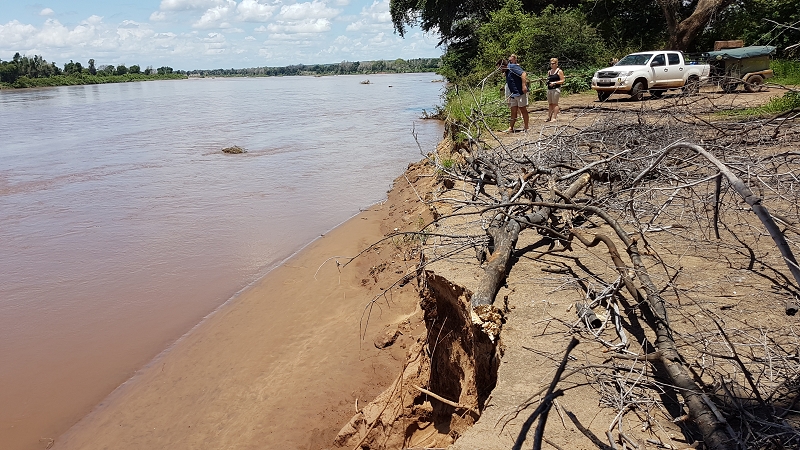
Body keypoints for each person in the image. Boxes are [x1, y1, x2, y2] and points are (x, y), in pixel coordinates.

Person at [503, 54, 529, 132]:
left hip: (520, 92)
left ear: (503, 65)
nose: (500, 70)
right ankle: (511, 127)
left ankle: (526, 127)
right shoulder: (507, 70)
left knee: (522, 109)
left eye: (500, 68)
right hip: (513, 94)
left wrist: (524, 85)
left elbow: (523, 73)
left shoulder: (512, 67)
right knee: (513, 110)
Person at [546, 58, 565, 122]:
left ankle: (554, 118)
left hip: (556, 89)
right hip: (549, 89)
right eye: (551, 63)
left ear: (556, 64)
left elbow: (562, 80)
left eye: (553, 63)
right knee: (550, 104)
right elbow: (548, 79)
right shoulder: (549, 72)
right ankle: (549, 117)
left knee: (555, 103)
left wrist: (555, 83)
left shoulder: (559, 71)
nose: (552, 65)